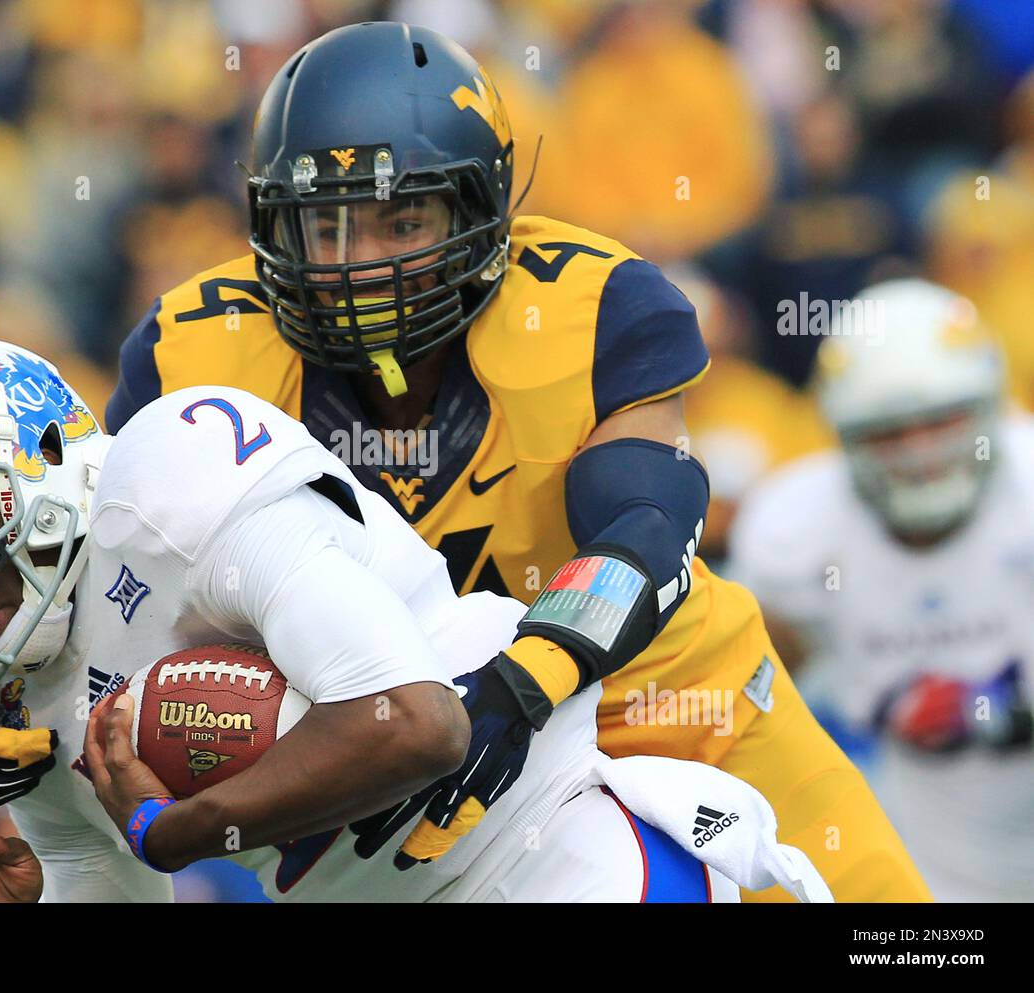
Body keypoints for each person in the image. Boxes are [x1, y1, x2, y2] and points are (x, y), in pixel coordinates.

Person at [101, 22, 925, 899]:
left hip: (666, 705)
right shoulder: (190, 357)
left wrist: (513, 687)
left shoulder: (591, 307)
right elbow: (109, 598)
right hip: (420, 777)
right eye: (327, 224)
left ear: (481, 207)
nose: (363, 266)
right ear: (272, 223)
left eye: (403, 218)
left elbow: (643, 530)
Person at [0, 338, 828, 903]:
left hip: (542, 853)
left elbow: (416, 721)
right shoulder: (8, 696)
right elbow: (103, 883)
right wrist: (22, 903)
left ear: (36, 452)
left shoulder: (164, 481)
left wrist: (173, 828)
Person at [730, 279, 1034, 902]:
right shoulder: (797, 530)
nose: (920, 454)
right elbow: (744, 699)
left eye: (941, 421)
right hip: (917, 855)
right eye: (889, 433)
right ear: (842, 437)